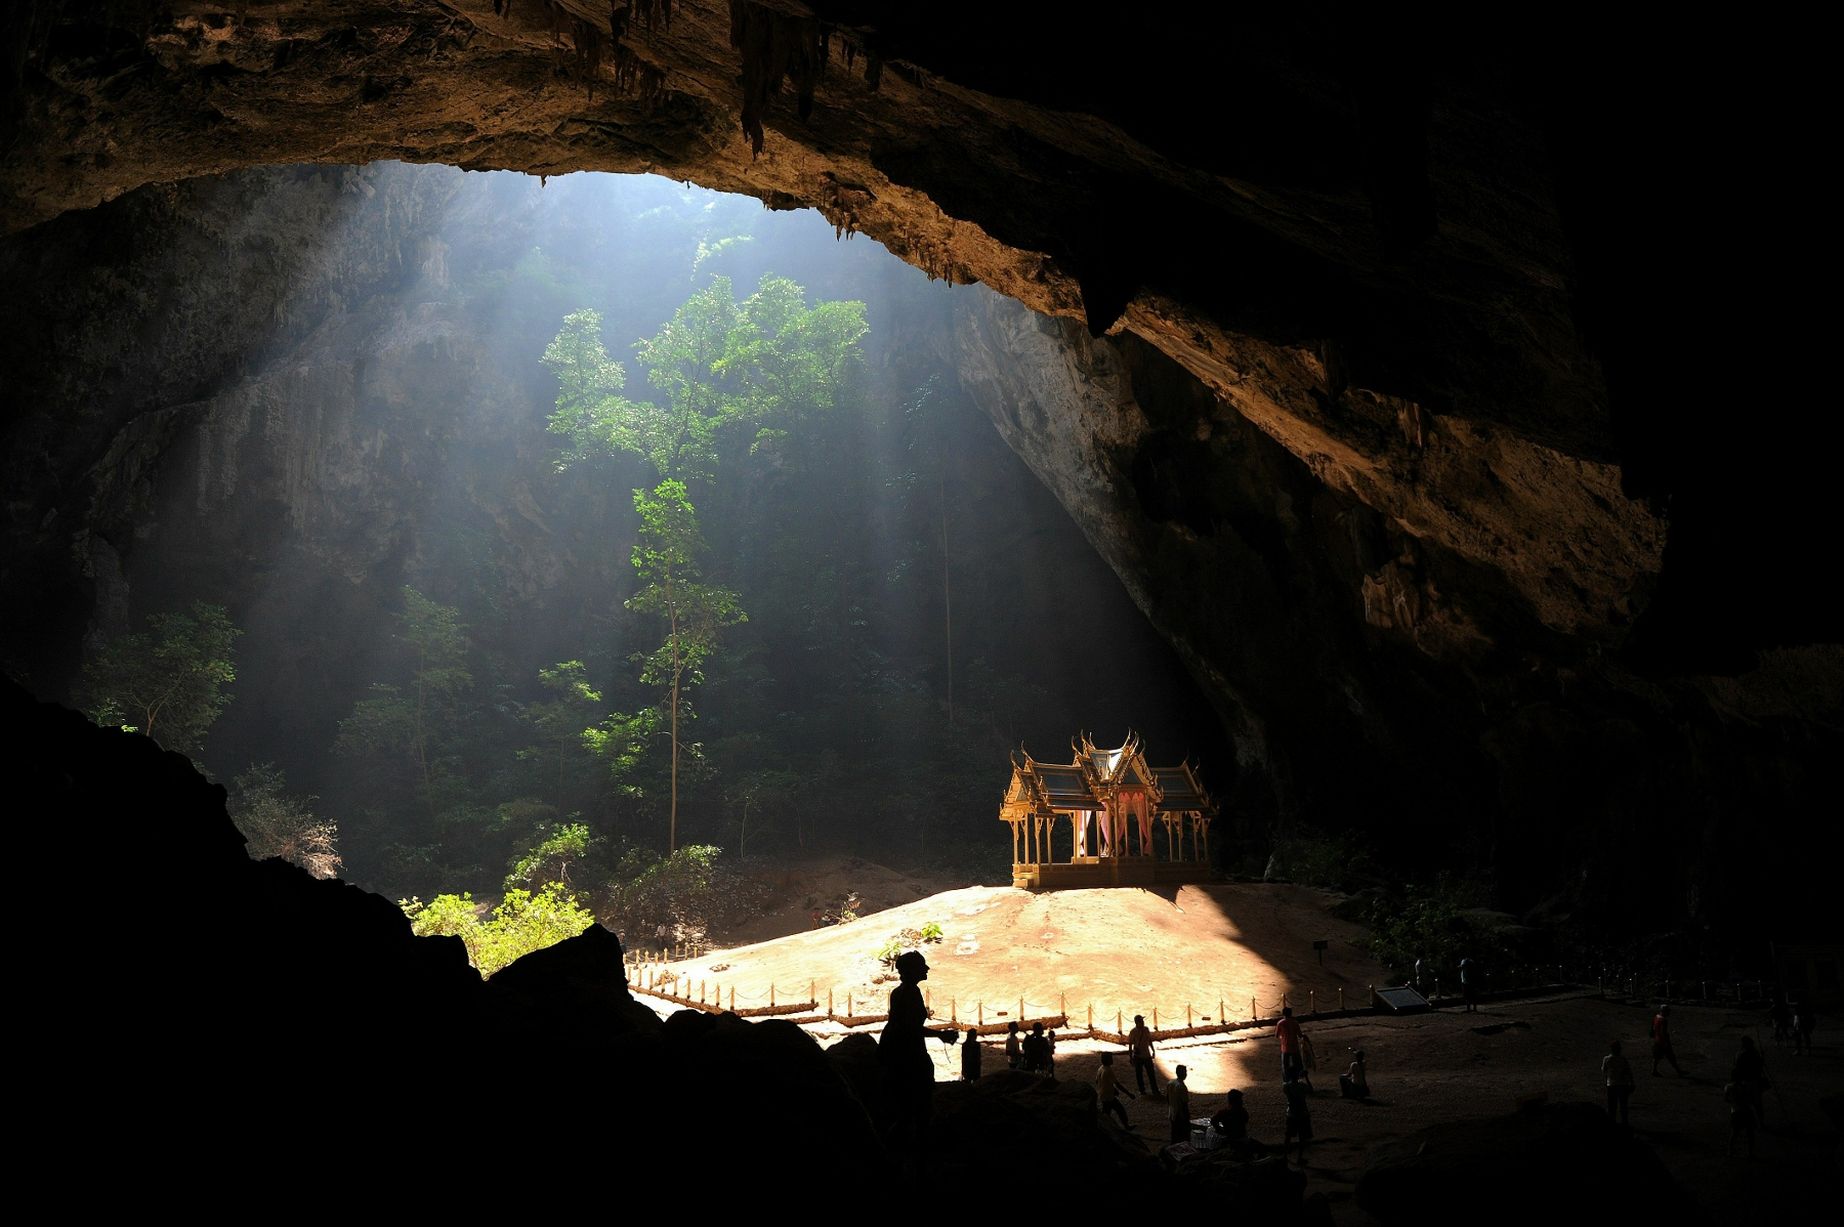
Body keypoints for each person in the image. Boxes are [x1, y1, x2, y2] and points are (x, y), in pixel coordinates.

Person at [877, 951, 959, 1144]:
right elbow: (910, 1028)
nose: (926, 969)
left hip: (899, 1051)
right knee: (915, 1110)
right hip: (908, 1055)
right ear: (912, 970)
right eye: (922, 966)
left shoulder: (901, 992)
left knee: (906, 1113)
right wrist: (941, 1035)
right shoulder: (910, 993)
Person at [1729, 1035, 1769, 1126]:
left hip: (1743, 1082)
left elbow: (1735, 1068)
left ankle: (1746, 1122)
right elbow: (1760, 1067)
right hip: (1753, 1081)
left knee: (1744, 1103)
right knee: (1757, 1104)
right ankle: (1760, 1122)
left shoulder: (1739, 1054)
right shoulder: (1754, 1054)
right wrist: (1761, 1058)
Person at [1095, 1053, 1135, 1128]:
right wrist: (1129, 1094)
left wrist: (1110, 1088)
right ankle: (1126, 1126)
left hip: (1103, 1094)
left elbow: (1097, 1081)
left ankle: (1106, 1127)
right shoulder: (1108, 1070)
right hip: (1108, 1096)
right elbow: (1118, 1084)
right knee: (1120, 1110)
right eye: (1111, 1058)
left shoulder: (1100, 1068)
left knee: (1107, 1112)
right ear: (1108, 1060)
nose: (1112, 1060)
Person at [1601, 1039, 1634, 1127]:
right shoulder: (1623, 1059)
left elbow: (1604, 1071)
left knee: (1612, 1105)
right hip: (1623, 1084)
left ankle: (1612, 1123)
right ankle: (1624, 1123)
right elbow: (1629, 1072)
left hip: (1611, 1084)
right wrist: (1632, 1082)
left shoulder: (1607, 1059)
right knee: (1623, 1105)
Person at [1281, 1074, 1313, 1165]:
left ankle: (1285, 1157)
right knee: (1302, 1137)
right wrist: (1306, 1077)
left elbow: (1285, 1086)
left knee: (1288, 1136)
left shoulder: (1286, 1086)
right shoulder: (1302, 1086)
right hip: (1303, 1113)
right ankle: (1299, 1158)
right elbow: (1311, 1090)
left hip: (1291, 1113)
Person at [1210, 1088, 1251, 1157]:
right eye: (1241, 1100)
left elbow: (1213, 1121)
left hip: (1230, 1139)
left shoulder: (1223, 1112)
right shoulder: (1243, 1112)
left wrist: (1220, 1130)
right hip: (1242, 1138)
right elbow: (1246, 1121)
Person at [1128, 1015, 1160, 1094]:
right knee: (1139, 1074)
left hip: (1146, 1055)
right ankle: (1142, 1090)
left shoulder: (1146, 1029)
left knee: (1151, 1074)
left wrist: (1153, 1050)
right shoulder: (1133, 1032)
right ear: (1136, 1023)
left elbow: (1149, 1040)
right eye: (1141, 1021)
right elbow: (1130, 1044)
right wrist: (1131, 1057)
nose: (1143, 1022)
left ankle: (1154, 1090)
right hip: (1138, 1056)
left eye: (1142, 1021)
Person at [1652, 1005, 1683, 1076]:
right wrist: (1665, 1042)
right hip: (1663, 1041)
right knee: (1671, 1056)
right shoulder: (1663, 1020)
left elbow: (1654, 1028)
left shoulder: (1656, 1017)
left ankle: (1654, 1070)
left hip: (1657, 1039)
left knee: (1657, 1056)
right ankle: (1678, 1071)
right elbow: (1663, 1032)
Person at [1276, 1006, 1304, 1083]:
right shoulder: (1295, 1023)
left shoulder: (1280, 1023)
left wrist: (1283, 1037)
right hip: (1294, 1047)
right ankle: (1297, 1079)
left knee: (1285, 1066)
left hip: (1285, 1047)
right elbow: (1300, 1035)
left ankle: (1286, 1080)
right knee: (1297, 1064)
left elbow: (1277, 1035)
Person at [1167, 1064, 1192, 1144]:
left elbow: (1167, 1097)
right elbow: (1184, 1104)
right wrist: (1185, 1115)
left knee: (1174, 1133)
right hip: (1179, 1114)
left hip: (1172, 1111)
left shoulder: (1170, 1083)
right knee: (1183, 1135)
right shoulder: (1182, 1086)